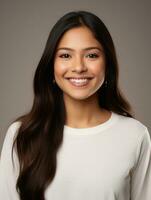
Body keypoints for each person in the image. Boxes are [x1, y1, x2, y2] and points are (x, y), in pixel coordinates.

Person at [0, 10, 151, 200]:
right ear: (51, 65)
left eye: (91, 55)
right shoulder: (22, 134)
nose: (78, 67)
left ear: (107, 63)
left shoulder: (135, 135)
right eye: (65, 56)